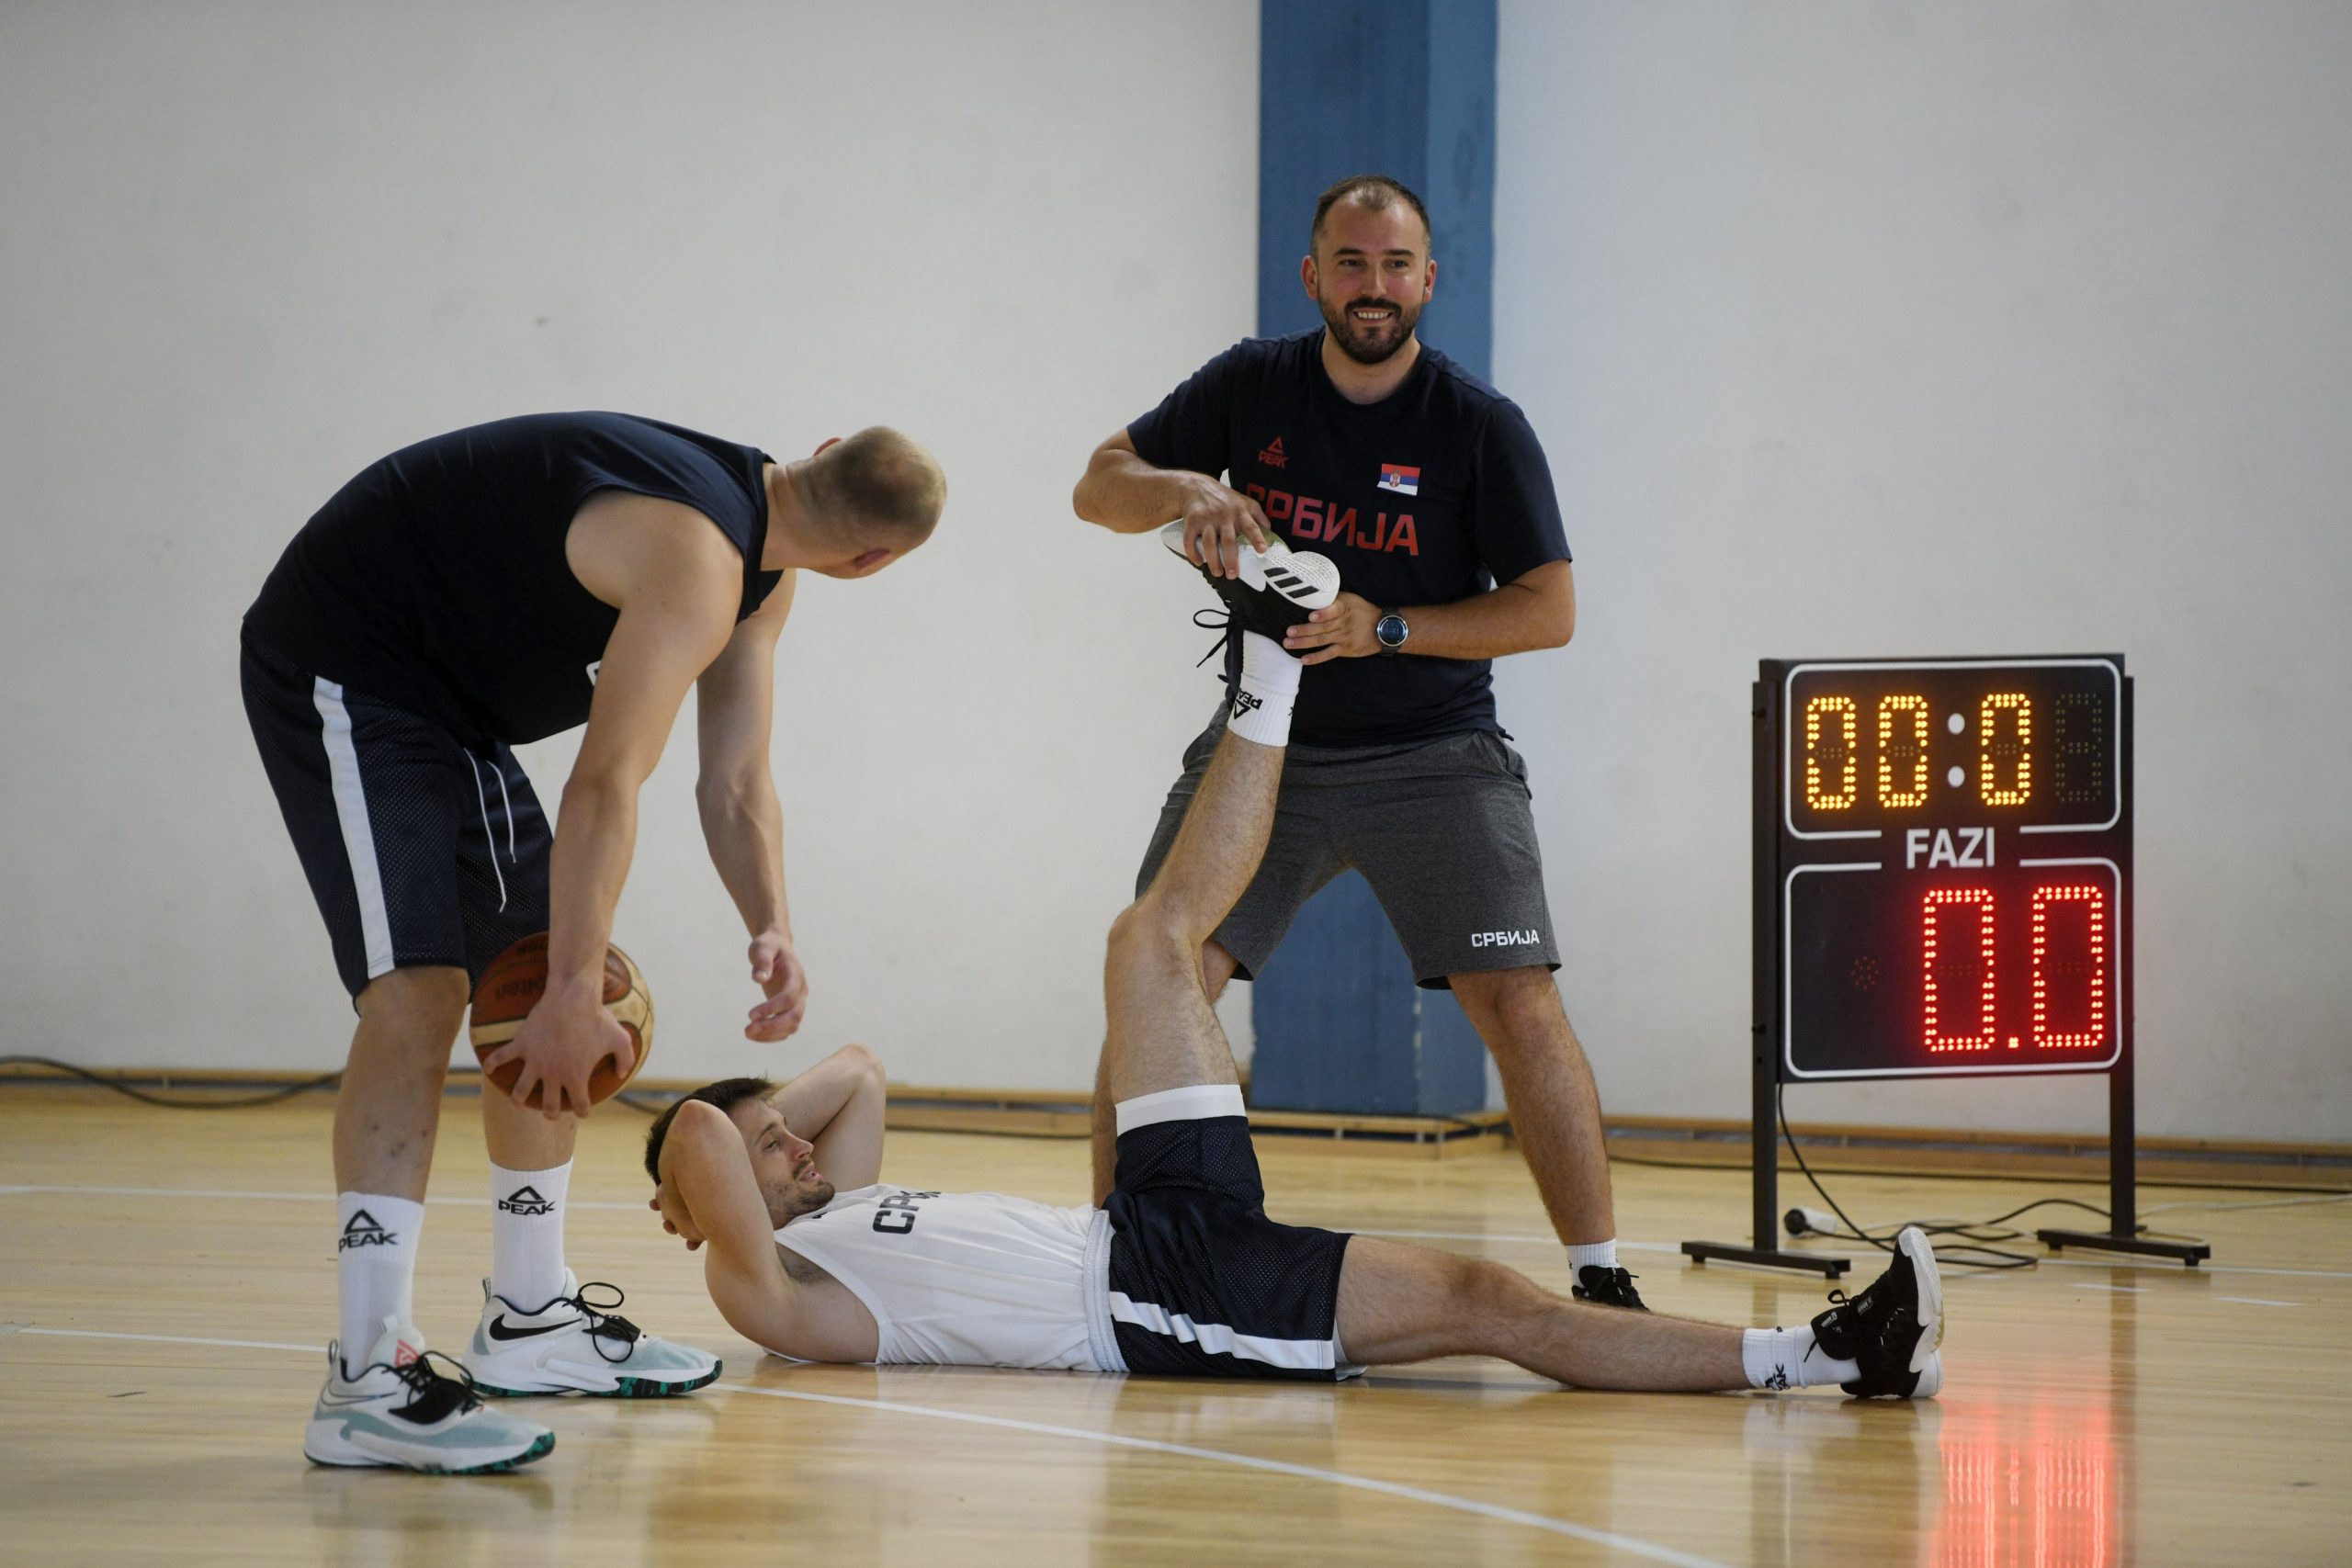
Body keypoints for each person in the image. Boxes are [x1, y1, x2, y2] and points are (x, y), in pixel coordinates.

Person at [644, 622, 1944, 1400]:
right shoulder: (780, 1294)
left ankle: (1273, 667)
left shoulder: (836, 1209)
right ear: (711, 1212)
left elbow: (858, 1070)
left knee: (1149, 939)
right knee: (1492, 1298)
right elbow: (702, 1133)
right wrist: (707, 1173)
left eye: (783, 1132)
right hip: (1159, 1300)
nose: (796, 1140)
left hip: (1151, 1217)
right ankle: (1824, 1357)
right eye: (771, 1151)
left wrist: (762, 1152)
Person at [241, 412, 945, 1472]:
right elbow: (604, 782)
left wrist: (771, 923)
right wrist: (574, 983)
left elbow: (736, 780)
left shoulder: (760, 563)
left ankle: (528, 1315)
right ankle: (366, 1375)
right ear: (875, 563)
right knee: (424, 991)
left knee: (520, 978)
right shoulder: (697, 555)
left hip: (446, 703)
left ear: (824, 447)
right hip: (347, 661)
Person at [1068, 175, 1641, 1308]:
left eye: (1394, 265)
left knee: (1518, 999)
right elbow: (1097, 486)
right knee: (1160, 969)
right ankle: (1106, 1268)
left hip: (1434, 752)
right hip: (1260, 747)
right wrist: (1186, 489)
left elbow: (1548, 609)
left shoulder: (1479, 426)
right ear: (1312, 275)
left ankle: (1600, 1277)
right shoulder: (1249, 383)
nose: (1372, 286)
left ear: (1428, 279)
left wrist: (1384, 629)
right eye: (1350, 262)